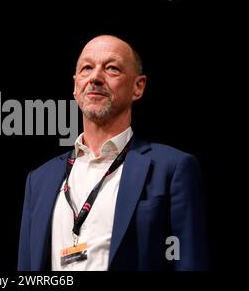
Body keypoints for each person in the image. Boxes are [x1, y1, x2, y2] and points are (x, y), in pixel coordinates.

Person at [17, 35, 208, 271]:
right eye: (87, 68)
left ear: (138, 87)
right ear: (75, 86)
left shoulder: (172, 168)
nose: (95, 77)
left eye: (112, 69)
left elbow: (190, 263)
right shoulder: (39, 180)